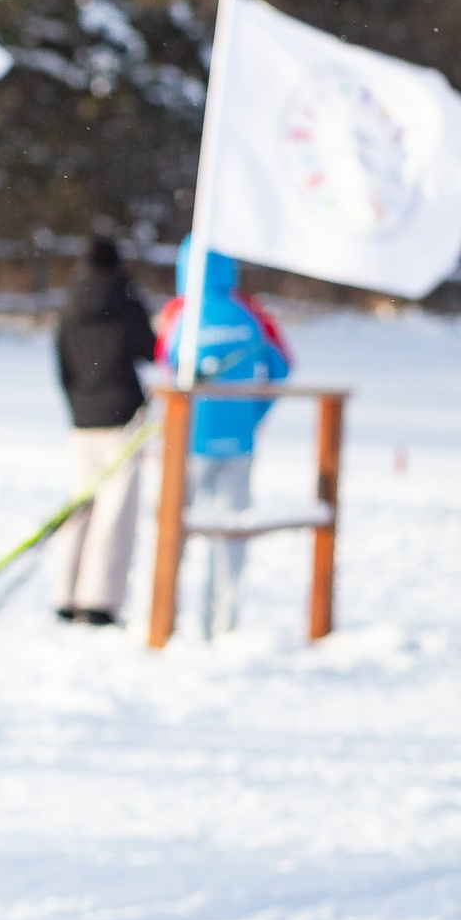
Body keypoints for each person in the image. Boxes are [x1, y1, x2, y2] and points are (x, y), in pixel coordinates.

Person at [156, 240, 291, 637]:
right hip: (239, 443)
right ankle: (222, 625)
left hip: (189, 443)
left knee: (174, 530)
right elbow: (282, 367)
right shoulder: (251, 312)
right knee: (230, 537)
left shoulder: (179, 314)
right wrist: (252, 415)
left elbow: (166, 367)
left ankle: (167, 620)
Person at [51, 235, 157, 626]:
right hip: (121, 416)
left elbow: (61, 361)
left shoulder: (70, 303)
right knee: (115, 511)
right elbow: (149, 347)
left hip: (81, 419)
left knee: (80, 506)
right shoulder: (124, 300)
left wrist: (76, 402)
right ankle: (99, 600)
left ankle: (65, 592)